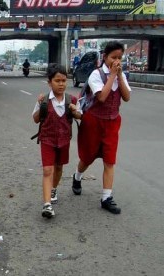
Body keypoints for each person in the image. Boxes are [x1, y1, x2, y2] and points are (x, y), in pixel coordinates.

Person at [72, 41, 131, 215]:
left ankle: (106, 197)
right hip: (93, 122)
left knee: (109, 160)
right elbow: (102, 97)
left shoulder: (121, 75)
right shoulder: (96, 75)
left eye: (120, 57)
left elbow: (126, 97)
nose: (117, 61)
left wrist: (119, 76)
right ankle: (77, 176)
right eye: (113, 57)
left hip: (112, 122)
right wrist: (112, 75)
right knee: (88, 157)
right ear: (105, 57)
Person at [32, 64, 82, 218]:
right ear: (49, 82)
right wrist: (40, 105)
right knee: (48, 170)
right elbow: (35, 119)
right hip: (47, 139)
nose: (61, 84)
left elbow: (80, 116)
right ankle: (47, 205)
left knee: (59, 167)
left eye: (63, 80)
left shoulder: (72, 99)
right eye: (57, 81)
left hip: (64, 140)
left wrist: (75, 111)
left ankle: (53, 188)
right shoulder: (44, 100)